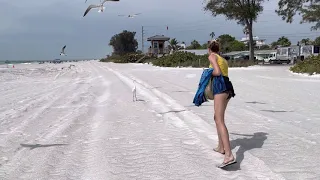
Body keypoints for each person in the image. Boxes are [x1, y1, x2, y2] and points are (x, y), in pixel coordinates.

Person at [207, 39, 236, 168]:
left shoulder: (212, 56)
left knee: (219, 120)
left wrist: (207, 73)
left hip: (220, 86)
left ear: (209, 49)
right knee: (217, 117)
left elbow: (217, 72)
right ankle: (221, 147)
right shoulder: (222, 58)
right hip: (228, 87)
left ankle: (229, 155)